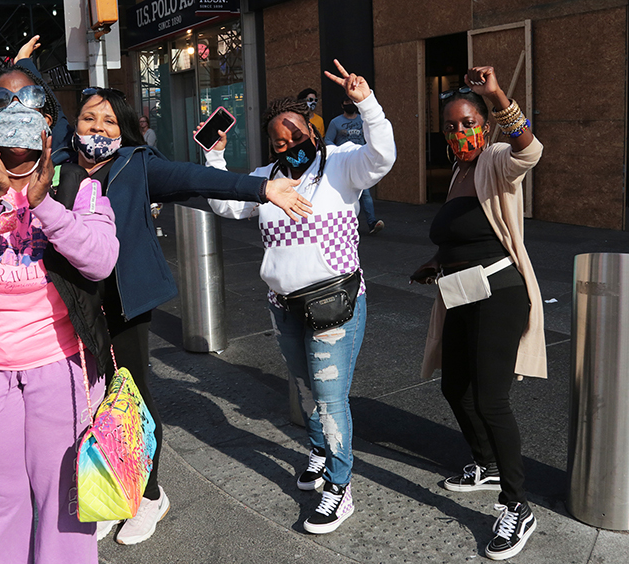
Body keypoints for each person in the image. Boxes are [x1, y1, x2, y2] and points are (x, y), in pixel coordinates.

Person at [12, 34, 310, 546]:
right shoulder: (59, 155)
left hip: (124, 301)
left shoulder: (136, 164)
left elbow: (199, 176)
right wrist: (28, 72)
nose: (96, 128)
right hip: (71, 304)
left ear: (122, 127)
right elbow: (51, 115)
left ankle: (149, 495)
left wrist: (262, 188)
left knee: (132, 396)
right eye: (89, 119)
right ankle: (115, 489)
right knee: (91, 399)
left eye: (107, 121)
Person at [0, 63, 120, 564]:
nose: (16, 113)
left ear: (49, 119)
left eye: (30, 101)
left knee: (66, 505)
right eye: (0, 103)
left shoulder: (76, 181)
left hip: (62, 369)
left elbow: (100, 259)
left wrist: (46, 205)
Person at [205, 60, 396, 534]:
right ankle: (317, 451)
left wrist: (366, 102)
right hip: (285, 306)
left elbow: (384, 157)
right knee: (307, 391)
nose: (288, 144)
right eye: (278, 140)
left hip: (336, 304)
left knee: (331, 400)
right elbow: (229, 205)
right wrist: (214, 157)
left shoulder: (341, 163)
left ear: (314, 130)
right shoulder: (268, 176)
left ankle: (339, 486)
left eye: (295, 134)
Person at [411, 66, 545, 561]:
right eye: (450, 126)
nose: (460, 132)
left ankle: (517, 504)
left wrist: (496, 96)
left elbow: (530, 150)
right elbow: (463, 233)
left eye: (468, 122)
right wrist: (434, 263)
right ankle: (484, 463)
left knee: (491, 400)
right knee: (453, 386)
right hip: (460, 290)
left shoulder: (494, 160)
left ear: (483, 126)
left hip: (499, 292)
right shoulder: (458, 171)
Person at [325, 97, 384, 235]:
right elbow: (327, 139)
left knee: (366, 194)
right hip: (343, 161)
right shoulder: (336, 122)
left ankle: (372, 223)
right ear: (342, 105)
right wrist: (336, 151)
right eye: (347, 103)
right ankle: (343, 224)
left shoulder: (362, 121)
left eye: (352, 102)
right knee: (343, 194)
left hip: (360, 160)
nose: (350, 105)